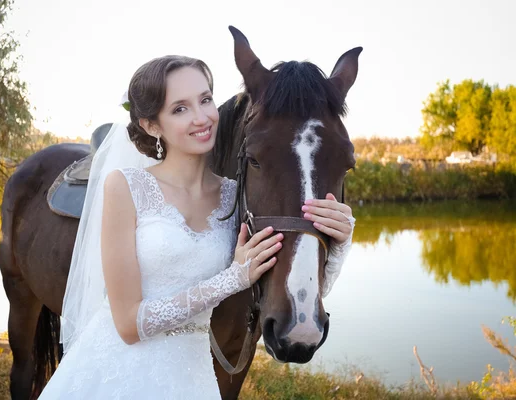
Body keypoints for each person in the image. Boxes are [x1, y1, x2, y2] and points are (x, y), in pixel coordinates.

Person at [39, 55, 355, 399]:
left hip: (193, 378)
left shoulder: (237, 198)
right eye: (179, 109)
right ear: (151, 125)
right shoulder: (124, 187)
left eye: (205, 100)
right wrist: (232, 279)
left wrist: (336, 242)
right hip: (119, 372)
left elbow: (287, 292)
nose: (202, 117)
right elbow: (128, 325)